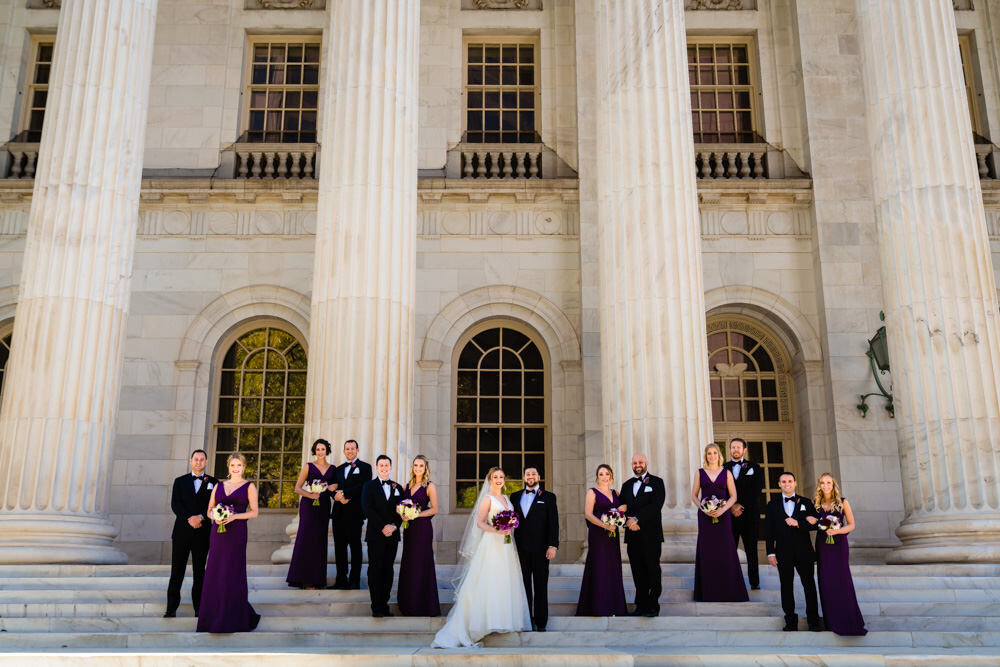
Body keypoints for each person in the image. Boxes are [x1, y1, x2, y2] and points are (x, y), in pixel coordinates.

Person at [432, 467, 531, 647]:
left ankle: (502, 620)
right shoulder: (488, 499)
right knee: (489, 579)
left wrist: (510, 527)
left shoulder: (507, 499)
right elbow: (480, 522)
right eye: (495, 477)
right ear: (490, 480)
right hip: (492, 544)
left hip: (507, 546)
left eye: (501, 476)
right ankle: (484, 621)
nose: (499, 479)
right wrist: (497, 530)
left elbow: (512, 520)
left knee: (504, 580)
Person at [197, 453, 260, 633]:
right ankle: (212, 617)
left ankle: (233, 617)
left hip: (237, 533)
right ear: (228, 467)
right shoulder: (219, 486)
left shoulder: (249, 486)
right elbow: (209, 510)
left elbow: (254, 512)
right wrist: (216, 516)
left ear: (244, 467)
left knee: (233, 571)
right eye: (232, 465)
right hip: (218, 533)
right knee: (216, 571)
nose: (235, 468)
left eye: (239, 465)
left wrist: (234, 517)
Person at [807, 473, 867, 636]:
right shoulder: (816, 504)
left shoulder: (842, 502)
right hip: (823, 545)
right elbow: (814, 524)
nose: (825, 486)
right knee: (826, 582)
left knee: (842, 580)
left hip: (839, 546)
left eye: (828, 483)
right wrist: (811, 519)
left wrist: (838, 531)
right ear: (819, 485)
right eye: (822, 483)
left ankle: (848, 621)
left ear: (833, 485)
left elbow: (852, 524)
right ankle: (831, 622)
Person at [765, 471, 822, 632]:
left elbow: (816, 524)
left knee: (809, 585)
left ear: (795, 483)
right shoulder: (772, 505)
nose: (787, 484)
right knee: (786, 586)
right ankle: (790, 621)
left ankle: (814, 621)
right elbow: (769, 531)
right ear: (779, 484)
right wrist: (771, 552)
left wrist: (799, 523)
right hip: (783, 552)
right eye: (783, 482)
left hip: (804, 551)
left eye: (790, 481)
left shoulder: (806, 502)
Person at [692, 443, 749, 603]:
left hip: (723, 517)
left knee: (725, 550)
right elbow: (694, 495)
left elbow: (734, 496)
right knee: (707, 550)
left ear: (719, 455)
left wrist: (723, 510)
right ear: (706, 456)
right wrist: (702, 508)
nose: (712, 456)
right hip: (705, 517)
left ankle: (730, 591)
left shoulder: (727, 473)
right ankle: (707, 592)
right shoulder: (699, 473)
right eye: (709, 453)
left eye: (715, 453)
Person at [165, 449, 217, 618]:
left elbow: (213, 505)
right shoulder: (179, 482)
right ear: (190, 460)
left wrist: (201, 517)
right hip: (181, 532)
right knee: (177, 570)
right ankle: (171, 609)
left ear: (206, 462)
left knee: (200, 571)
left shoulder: (214, 483)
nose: (199, 462)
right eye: (196, 459)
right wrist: (190, 518)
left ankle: (199, 609)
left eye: (202, 460)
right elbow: (175, 504)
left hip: (203, 532)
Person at [510, 466, 559, 631]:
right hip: (521, 549)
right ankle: (525, 620)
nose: (530, 476)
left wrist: (553, 545)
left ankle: (541, 622)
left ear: (539, 476)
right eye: (527, 474)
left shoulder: (549, 497)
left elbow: (554, 523)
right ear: (524, 477)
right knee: (523, 586)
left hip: (541, 549)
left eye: (533, 473)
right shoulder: (514, 496)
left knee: (540, 586)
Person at [616, 453, 665, 616]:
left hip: (651, 535)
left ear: (646, 463)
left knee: (653, 569)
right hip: (633, 535)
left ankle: (653, 606)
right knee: (638, 571)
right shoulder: (626, 484)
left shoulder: (657, 482)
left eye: (640, 462)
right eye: (635, 462)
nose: (638, 465)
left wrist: (637, 519)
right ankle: (641, 605)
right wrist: (628, 522)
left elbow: (656, 506)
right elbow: (621, 507)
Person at [576, 464, 627, 617]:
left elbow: (621, 510)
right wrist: (604, 525)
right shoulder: (592, 492)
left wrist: (622, 509)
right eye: (601, 474)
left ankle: (615, 607)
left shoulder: (616, 493)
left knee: (613, 567)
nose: (604, 477)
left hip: (613, 535)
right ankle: (598, 607)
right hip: (598, 534)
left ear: (611, 476)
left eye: (607, 474)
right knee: (599, 566)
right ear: (597, 477)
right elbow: (588, 515)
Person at [286, 439, 338, 589]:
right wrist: (310, 495)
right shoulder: (308, 466)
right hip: (309, 506)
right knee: (306, 539)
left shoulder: (333, 469)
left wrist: (333, 486)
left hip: (323, 507)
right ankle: (303, 578)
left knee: (319, 540)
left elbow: (335, 485)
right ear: (314, 451)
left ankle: (317, 579)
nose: (320, 452)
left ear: (327, 450)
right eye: (317, 449)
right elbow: (297, 488)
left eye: (322, 449)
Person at [397, 454, 441, 617]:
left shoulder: (430, 486)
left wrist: (416, 514)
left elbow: (435, 509)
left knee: (422, 562)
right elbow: (400, 505)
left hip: (422, 529)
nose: (418, 468)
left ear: (426, 468)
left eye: (421, 466)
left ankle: (425, 605)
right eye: (416, 465)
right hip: (409, 529)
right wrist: (401, 512)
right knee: (410, 563)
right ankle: (409, 605)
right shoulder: (407, 486)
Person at [360, 454, 403, 618]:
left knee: (388, 570)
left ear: (390, 468)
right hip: (375, 535)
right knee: (375, 569)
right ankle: (376, 606)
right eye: (381, 465)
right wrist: (382, 526)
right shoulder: (368, 486)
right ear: (377, 468)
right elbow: (367, 508)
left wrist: (393, 526)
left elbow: (401, 510)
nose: (384, 468)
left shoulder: (397, 487)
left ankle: (384, 604)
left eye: (387, 465)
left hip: (392, 535)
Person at [329, 439, 371, 589]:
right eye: (347, 449)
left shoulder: (366, 468)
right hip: (338, 513)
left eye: (352, 448)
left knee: (355, 546)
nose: (350, 451)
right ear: (344, 451)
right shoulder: (338, 469)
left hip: (354, 513)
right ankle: (341, 580)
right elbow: (332, 487)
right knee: (339, 547)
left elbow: (364, 487)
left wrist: (345, 494)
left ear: (357, 450)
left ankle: (354, 581)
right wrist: (335, 496)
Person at [724, 437, 765, 590]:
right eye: (733, 447)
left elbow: (757, 489)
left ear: (744, 449)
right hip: (729, 516)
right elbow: (721, 490)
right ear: (730, 449)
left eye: (738, 447)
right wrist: (731, 506)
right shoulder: (723, 467)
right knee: (729, 550)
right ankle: (730, 581)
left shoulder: (754, 467)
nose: (735, 450)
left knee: (751, 550)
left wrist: (741, 505)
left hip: (749, 515)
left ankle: (754, 582)